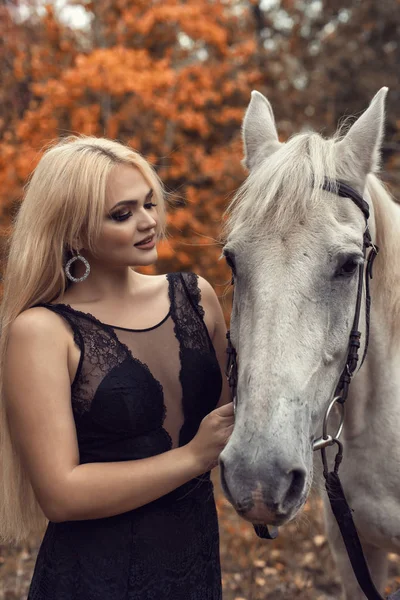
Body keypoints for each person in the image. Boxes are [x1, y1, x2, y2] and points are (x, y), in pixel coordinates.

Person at [0, 135, 234, 600]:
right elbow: (61, 495)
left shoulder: (196, 297)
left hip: (196, 567)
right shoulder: (41, 331)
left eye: (149, 203)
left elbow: (236, 424)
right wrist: (191, 458)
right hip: (95, 579)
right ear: (72, 231)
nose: (149, 222)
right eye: (122, 214)